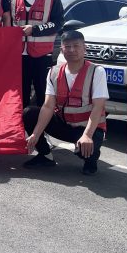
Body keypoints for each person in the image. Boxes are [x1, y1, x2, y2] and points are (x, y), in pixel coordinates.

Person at [24, 29, 108, 174]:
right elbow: (48, 106)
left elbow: (98, 107)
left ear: (84, 48)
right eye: (67, 46)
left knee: (88, 151)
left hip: (87, 128)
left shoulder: (97, 71)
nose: (72, 50)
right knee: (29, 113)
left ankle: (90, 160)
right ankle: (45, 156)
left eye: (76, 46)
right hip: (64, 125)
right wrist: (35, 135)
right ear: (62, 50)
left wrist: (87, 135)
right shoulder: (53, 72)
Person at [12, 0, 64, 107]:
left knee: (42, 95)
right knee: (20, 97)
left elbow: (58, 23)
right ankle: (22, 123)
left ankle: (41, 123)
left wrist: (34, 30)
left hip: (42, 55)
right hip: (19, 55)